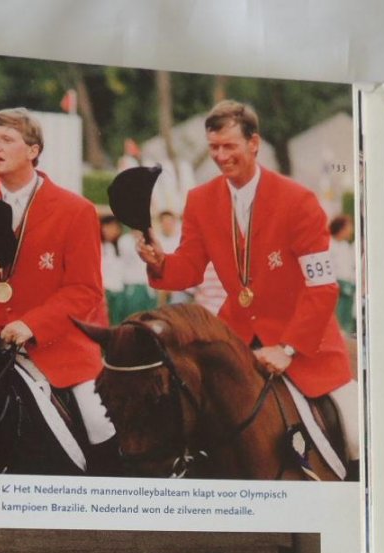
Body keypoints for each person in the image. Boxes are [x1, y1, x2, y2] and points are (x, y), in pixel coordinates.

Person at [135, 100, 361, 474]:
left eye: (229, 146)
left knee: (355, 433)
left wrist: (288, 348)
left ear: (254, 144)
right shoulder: (200, 199)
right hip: (237, 339)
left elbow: (322, 288)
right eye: (214, 148)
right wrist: (160, 262)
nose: (221, 156)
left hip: (305, 344)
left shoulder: (299, 200)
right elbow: (189, 268)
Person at [0, 108, 116, 455]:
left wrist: (31, 324)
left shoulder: (75, 210)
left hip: (56, 346)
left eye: (6, 140)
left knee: (98, 421)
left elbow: (85, 289)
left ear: (33, 151)